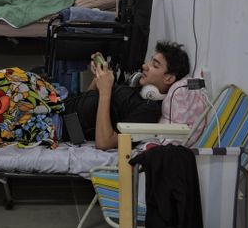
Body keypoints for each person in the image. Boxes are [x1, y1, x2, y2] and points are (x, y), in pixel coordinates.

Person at [61, 41, 191, 150]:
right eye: (150, 62)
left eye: (155, 65)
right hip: (61, 107)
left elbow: (104, 143)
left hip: (61, 126)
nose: (145, 66)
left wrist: (105, 91)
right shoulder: (135, 89)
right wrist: (98, 79)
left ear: (168, 79)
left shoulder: (149, 110)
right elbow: (86, 104)